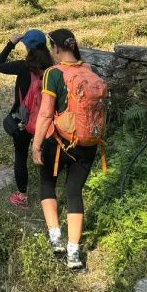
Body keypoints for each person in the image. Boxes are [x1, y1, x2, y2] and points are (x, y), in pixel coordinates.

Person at [32, 29, 106, 270]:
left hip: (60, 142)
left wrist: (36, 145)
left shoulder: (53, 74)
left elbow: (45, 114)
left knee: (47, 183)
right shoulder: (89, 72)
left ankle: (56, 240)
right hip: (88, 143)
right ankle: (74, 255)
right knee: (74, 193)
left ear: (54, 48)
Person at [0, 29, 53, 209]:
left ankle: (22, 197)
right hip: (47, 121)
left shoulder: (23, 67)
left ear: (26, 46)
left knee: (20, 156)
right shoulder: (53, 68)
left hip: (22, 122)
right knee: (47, 156)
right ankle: (49, 196)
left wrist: (11, 43)